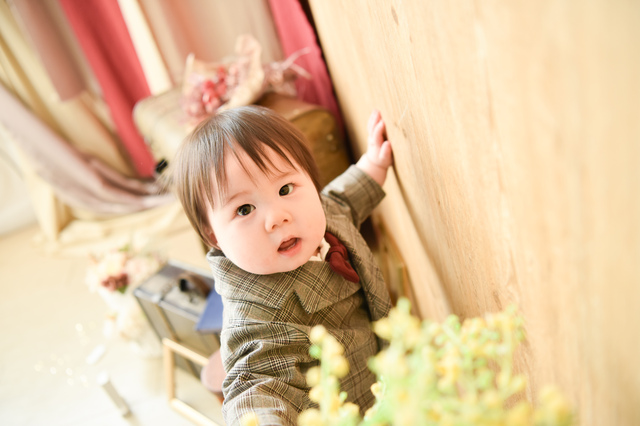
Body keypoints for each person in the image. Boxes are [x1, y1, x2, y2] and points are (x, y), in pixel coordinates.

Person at [170, 105, 393, 425]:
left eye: (285, 189)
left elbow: (344, 200)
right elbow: (253, 383)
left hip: (390, 372)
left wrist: (373, 162)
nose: (277, 217)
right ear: (215, 237)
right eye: (245, 209)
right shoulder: (254, 319)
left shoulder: (321, 214)